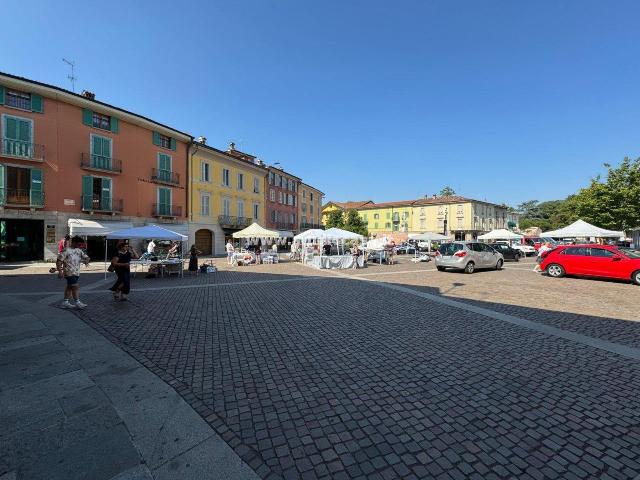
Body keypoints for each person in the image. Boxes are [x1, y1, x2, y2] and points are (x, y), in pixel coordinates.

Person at [56, 236, 90, 309]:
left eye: (81, 245)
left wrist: (87, 260)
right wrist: (60, 271)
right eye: (79, 244)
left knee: (70, 287)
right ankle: (78, 302)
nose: (80, 246)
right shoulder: (66, 250)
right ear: (74, 242)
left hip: (76, 272)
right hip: (69, 272)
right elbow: (59, 261)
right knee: (75, 287)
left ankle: (65, 302)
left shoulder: (79, 250)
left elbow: (87, 257)